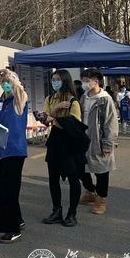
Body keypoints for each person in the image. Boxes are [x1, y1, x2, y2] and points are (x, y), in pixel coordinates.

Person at [0, 69, 28, 244]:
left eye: (8, 82)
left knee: (9, 191)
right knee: (4, 189)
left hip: (14, 150)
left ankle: (12, 229)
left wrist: (10, 75)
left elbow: (20, 90)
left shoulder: (18, 99)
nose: (5, 84)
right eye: (3, 81)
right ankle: (17, 218)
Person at [41, 69, 83, 227]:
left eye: (58, 79)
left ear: (65, 81)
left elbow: (75, 124)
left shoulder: (73, 101)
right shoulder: (50, 98)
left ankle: (72, 213)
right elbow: (45, 119)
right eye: (53, 79)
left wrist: (53, 117)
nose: (55, 82)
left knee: (73, 178)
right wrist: (56, 109)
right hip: (54, 140)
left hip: (69, 141)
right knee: (53, 178)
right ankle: (56, 211)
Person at [78, 68, 118, 215]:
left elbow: (111, 123)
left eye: (86, 81)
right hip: (83, 139)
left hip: (98, 140)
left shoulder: (105, 99)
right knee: (80, 168)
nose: (84, 83)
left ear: (96, 81)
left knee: (101, 171)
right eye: (83, 80)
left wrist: (108, 143)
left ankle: (101, 199)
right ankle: (90, 191)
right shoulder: (84, 97)